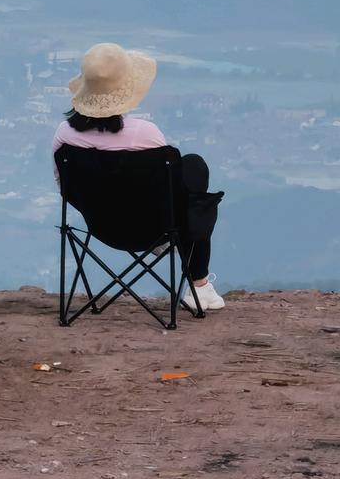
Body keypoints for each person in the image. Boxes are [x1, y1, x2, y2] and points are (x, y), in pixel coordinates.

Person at [52, 42, 225, 311]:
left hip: (101, 227)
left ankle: (179, 260)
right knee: (194, 170)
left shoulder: (64, 136)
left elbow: (65, 189)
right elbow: (167, 190)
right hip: (155, 230)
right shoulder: (145, 134)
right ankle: (198, 286)